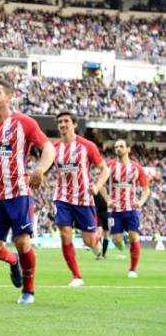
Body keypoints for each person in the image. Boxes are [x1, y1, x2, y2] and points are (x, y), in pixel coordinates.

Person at [0, 79, 55, 305]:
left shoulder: (24, 123)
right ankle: (13, 262)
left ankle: (28, 291)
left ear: (9, 97)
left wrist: (40, 169)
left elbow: (48, 147)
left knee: (22, 241)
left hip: (19, 192)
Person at [52, 111, 109, 286]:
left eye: (66, 121)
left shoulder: (87, 146)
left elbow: (105, 170)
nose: (62, 124)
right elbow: (45, 170)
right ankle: (77, 276)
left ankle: (96, 245)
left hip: (84, 199)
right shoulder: (54, 148)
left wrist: (97, 186)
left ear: (74, 124)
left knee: (88, 240)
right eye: (60, 122)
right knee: (65, 233)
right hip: (62, 198)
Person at [107, 139, 150, 278]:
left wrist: (141, 202)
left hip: (131, 209)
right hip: (115, 210)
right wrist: (108, 199)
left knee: (134, 236)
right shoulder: (110, 166)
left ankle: (132, 270)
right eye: (116, 147)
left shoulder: (136, 168)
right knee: (116, 240)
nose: (118, 149)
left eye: (121, 146)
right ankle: (121, 243)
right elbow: (100, 184)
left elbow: (146, 189)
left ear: (128, 149)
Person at [94, 188, 110, 259]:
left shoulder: (107, 188)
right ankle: (99, 253)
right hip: (98, 213)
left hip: (107, 214)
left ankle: (103, 254)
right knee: (99, 231)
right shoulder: (95, 189)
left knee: (106, 235)